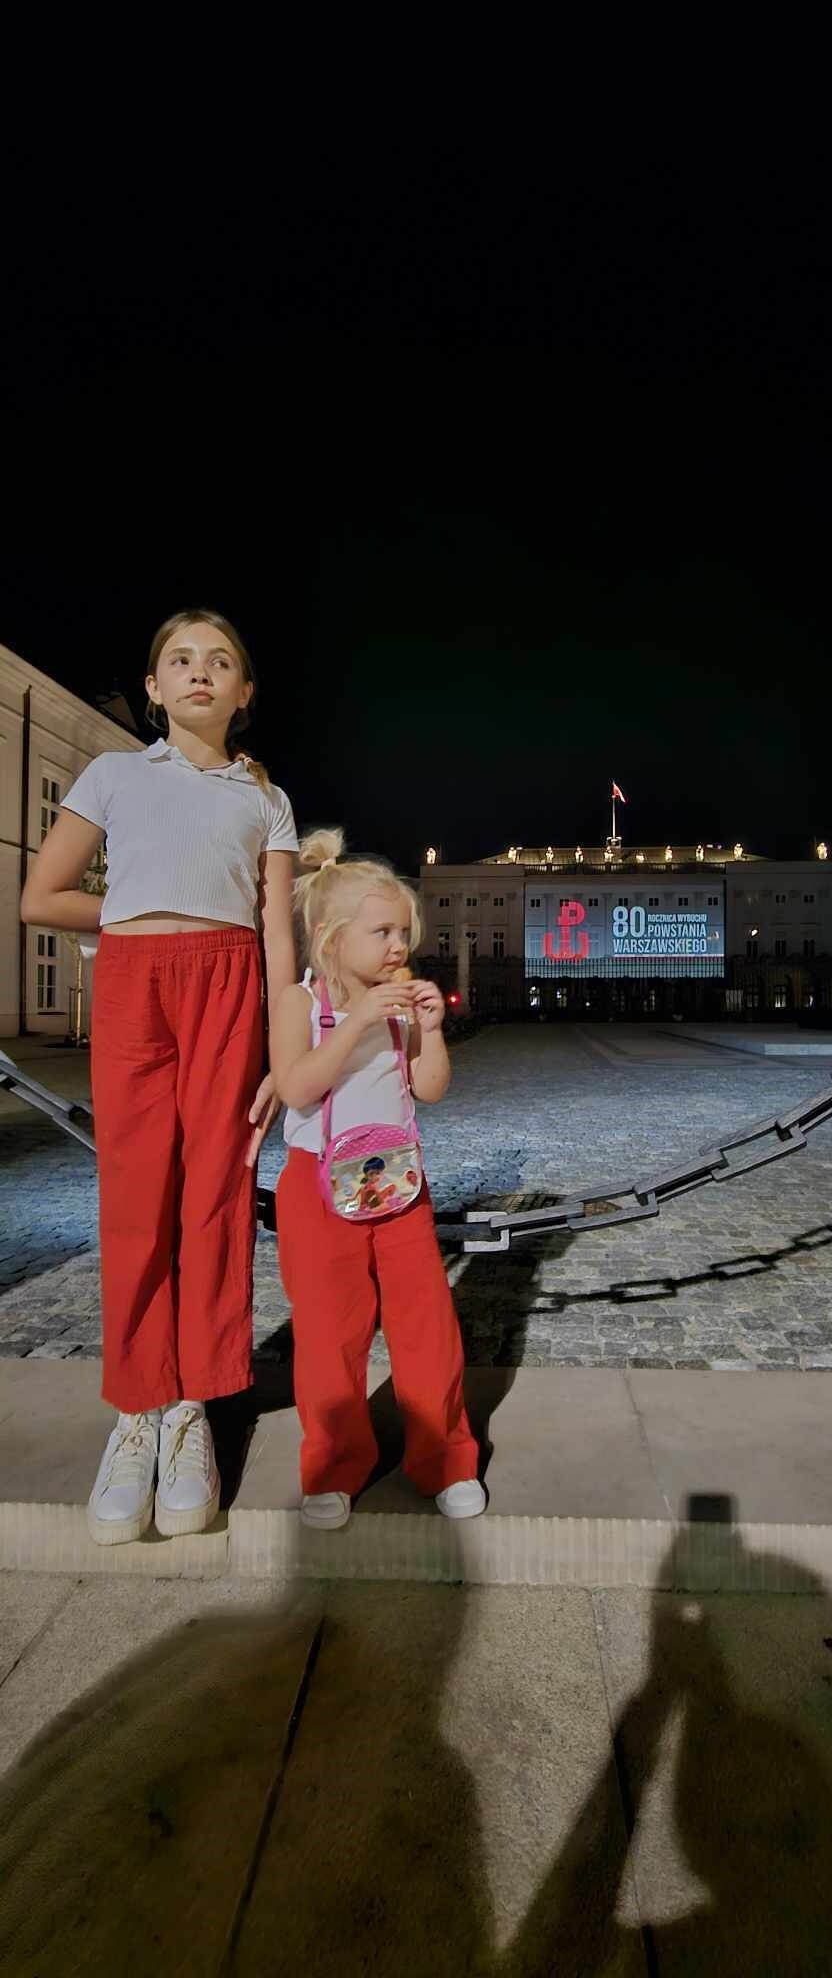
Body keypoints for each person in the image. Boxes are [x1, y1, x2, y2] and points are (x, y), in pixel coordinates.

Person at [21, 608, 298, 1543]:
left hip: (230, 985)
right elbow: (39, 898)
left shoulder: (265, 798)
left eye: (219, 661)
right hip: (136, 984)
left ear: (244, 692)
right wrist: (129, 911)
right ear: (153, 687)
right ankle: (138, 1407)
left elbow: (278, 934)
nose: (198, 672)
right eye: (179, 660)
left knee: (215, 1196)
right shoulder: (113, 774)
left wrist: (283, 1051)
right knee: (136, 1195)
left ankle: (193, 1410)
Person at [270, 828, 485, 1528]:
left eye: (402, 932)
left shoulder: (399, 1004)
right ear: (331, 939)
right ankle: (333, 1467)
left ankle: (445, 1458)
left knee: (426, 1324)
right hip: (316, 1187)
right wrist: (355, 1020)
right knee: (331, 1333)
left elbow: (430, 1089)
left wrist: (431, 1030)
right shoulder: (300, 1005)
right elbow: (296, 1086)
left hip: (398, 1182)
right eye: (382, 932)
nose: (399, 946)